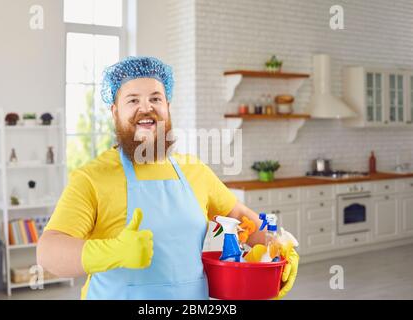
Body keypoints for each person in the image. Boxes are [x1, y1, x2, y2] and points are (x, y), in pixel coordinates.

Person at [37, 56, 298, 300]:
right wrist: (112, 252)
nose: (145, 108)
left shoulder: (194, 171)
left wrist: (278, 247)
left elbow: (239, 217)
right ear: (114, 112)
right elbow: (48, 252)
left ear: (167, 107)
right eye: (133, 100)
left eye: (155, 98)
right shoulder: (92, 177)